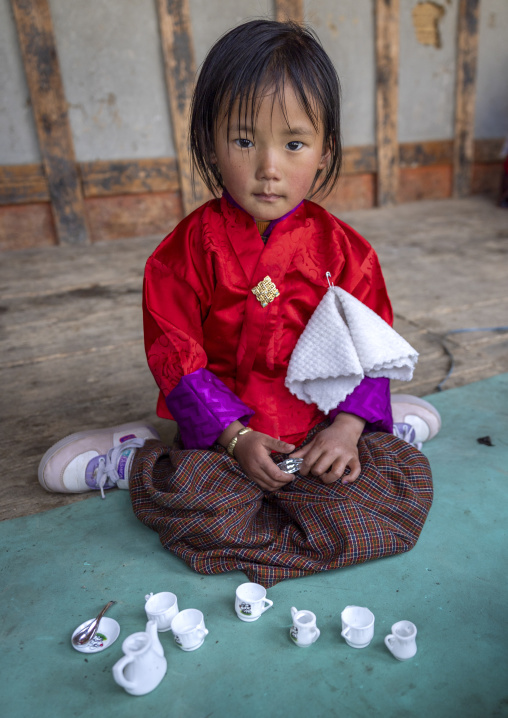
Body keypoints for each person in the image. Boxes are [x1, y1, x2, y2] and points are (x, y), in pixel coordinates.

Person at [38, 20, 439, 587]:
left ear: (325, 152)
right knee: (204, 507)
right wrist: (237, 437)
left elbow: (373, 349)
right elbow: (176, 357)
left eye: (294, 143)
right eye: (245, 140)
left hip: (322, 433)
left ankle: (375, 431)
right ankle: (140, 455)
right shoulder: (184, 254)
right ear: (209, 141)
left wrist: (348, 427)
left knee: (384, 503)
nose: (269, 167)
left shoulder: (348, 254)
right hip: (225, 437)